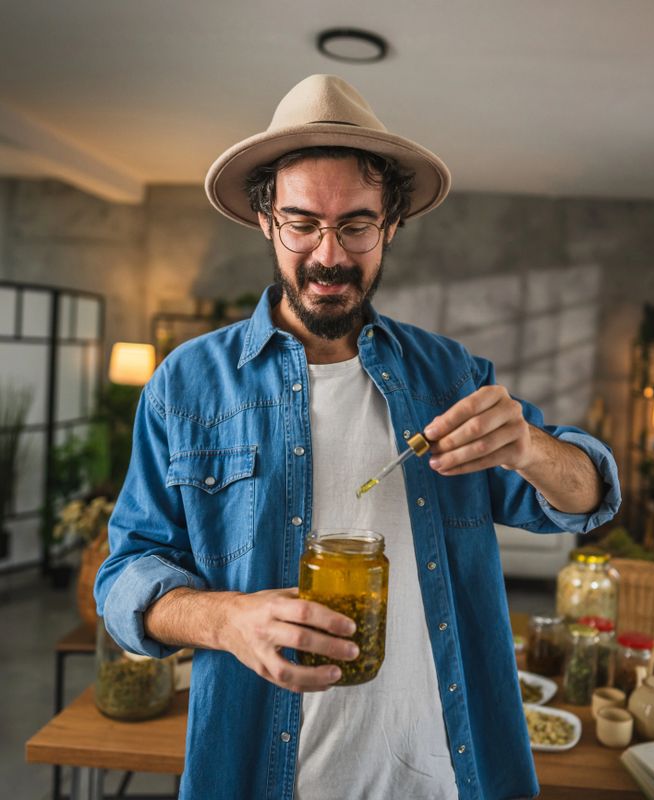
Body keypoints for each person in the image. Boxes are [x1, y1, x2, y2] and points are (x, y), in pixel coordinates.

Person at [95, 74, 621, 800]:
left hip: (444, 773)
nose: (330, 256)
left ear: (392, 225)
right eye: (303, 223)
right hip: (257, 774)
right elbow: (124, 575)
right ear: (265, 220)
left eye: (356, 226)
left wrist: (532, 446)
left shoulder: (450, 374)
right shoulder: (185, 386)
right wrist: (223, 619)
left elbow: (585, 500)